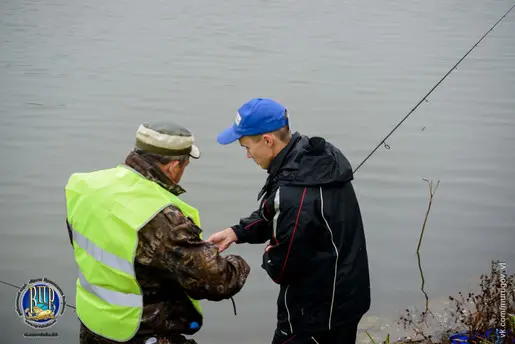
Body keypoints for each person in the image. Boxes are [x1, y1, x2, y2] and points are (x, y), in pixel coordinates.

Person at [64, 122, 251, 344]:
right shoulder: (162, 218)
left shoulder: (85, 187)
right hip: (141, 334)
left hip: (93, 327)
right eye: (185, 166)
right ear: (173, 166)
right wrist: (237, 263)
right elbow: (216, 280)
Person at [207, 98, 371, 344]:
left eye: (246, 147)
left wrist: (266, 254)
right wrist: (237, 232)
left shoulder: (295, 193)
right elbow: (275, 211)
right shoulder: (311, 157)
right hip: (348, 296)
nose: (247, 156)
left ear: (267, 140)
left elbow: (282, 267)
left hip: (314, 313)